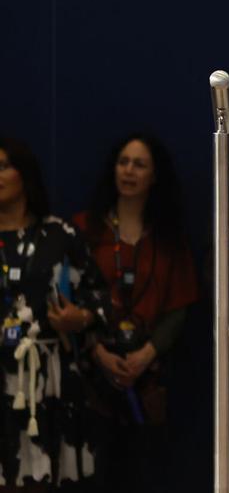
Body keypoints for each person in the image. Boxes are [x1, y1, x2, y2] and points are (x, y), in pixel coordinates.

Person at [73, 132, 200, 493]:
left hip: (149, 377)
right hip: (93, 375)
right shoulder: (86, 229)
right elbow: (71, 295)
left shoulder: (168, 238)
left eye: (139, 164)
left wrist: (146, 355)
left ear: (154, 176)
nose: (129, 171)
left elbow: (180, 305)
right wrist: (97, 351)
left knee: (145, 474)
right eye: (123, 162)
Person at [0, 137, 108, 491]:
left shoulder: (60, 234)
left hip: (50, 378)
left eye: (3, 166)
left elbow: (99, 298)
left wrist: (81, 318)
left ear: (25, 174)